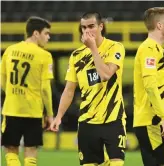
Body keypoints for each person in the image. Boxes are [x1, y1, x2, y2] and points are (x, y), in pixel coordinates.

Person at [50, 12, 126, 166]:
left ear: (101, 27)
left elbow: (105, 75)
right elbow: (69, 90)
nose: (87, 31)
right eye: (83, 28)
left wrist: (93, 49)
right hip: (87, 121)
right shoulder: (76, 56)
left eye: (91, 26)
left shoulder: (115, 47)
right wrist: (58, 116)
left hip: (113, 119)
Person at [1, 16, 53, 166]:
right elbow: (44, 88)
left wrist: (12, 94)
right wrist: (49, 114)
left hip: (12, 109)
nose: (48, 37)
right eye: (46, 33)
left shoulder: (10, 51)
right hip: (33, 112)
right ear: (36, 33)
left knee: (11, 150)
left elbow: (3, 81)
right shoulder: (45, 55)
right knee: (31, 152)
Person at [133, 7, 164, 166]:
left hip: (152, 122)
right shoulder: (148, 49)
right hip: (152, 121)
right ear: (160, 25)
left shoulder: (155, 49)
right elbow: (150, 86)